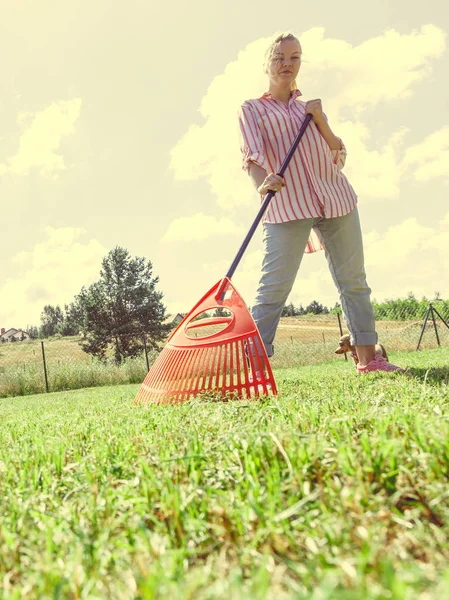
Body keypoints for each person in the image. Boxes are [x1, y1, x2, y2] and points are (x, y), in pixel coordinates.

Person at [238, 32, 404, 374]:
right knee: (274, 287)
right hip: (287, 205)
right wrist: (262, 183)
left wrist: (320, 119)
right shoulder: (252, 109)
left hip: (336, 198)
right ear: (267, 63)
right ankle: (254, 367)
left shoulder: (308, 108)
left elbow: (338, 155)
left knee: (353, 281)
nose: (287, 63)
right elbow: (252, 157)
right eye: (280, 57)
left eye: (295, 57)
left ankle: (369, 360)